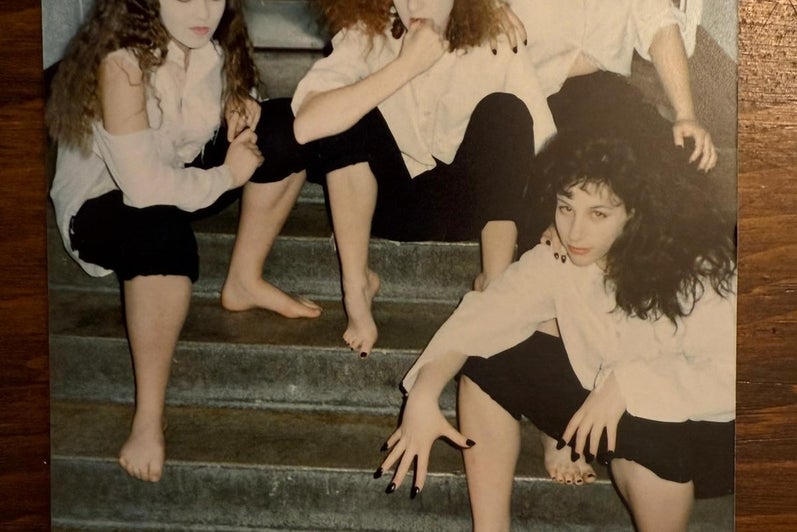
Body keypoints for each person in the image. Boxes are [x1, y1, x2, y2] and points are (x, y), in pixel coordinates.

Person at [376, 131, 736, 532]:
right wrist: (425, 392)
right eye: (566, 208)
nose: (575, 232)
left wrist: (627, 387)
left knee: (650, 434)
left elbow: (735, 376)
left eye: (597, 214)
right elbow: (482, 318)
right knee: (487, 360)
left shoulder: (696, 266)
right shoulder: (560, 254)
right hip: (604, 409)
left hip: (706, 433)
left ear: (634, 212)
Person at [47, 0, 321, 482]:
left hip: (179, 176)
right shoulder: (122, 63)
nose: (203, 9)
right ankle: (149, 417)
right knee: (161, 228)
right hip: (104, 206)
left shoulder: (211, 42)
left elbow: (220, 107)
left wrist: (241, 105)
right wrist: (229, 177)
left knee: (290, 127)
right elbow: (145, 189)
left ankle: (244, 280)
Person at [291, 0, 556, 357]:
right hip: (388, 204)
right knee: (344, 114)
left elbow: (542, 145)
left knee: (506, 112)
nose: (415, 3)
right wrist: (407, 65)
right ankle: (356, 288)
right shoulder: (365, 34)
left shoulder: (495, 35)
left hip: (469, 207)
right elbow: (306, 126)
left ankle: (495, 287)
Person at [494, 0, 720, 252]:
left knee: (675, 164)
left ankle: (650, 278)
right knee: (560, 186)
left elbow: (660, 23)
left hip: (599, 91)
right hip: (525, 90)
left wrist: (686, 114)